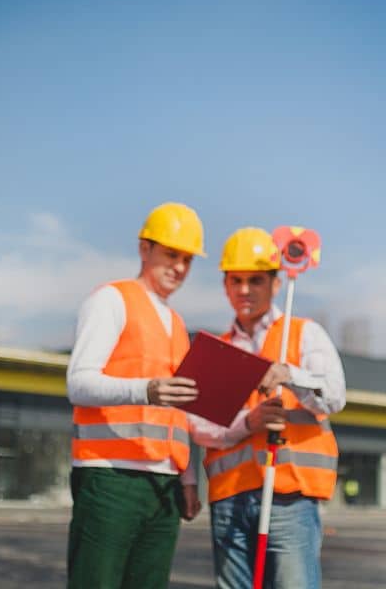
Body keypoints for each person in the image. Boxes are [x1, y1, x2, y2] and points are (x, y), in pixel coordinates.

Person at [66, 202, 238, 589]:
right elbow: (78, 383)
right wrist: (146, 390)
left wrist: (189, 479)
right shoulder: (111, 299)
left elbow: (179, 412)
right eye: (170, 254)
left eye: (187, 259)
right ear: (144, 248)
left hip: (163, 487)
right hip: (111, 478)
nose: (179, 267)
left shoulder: (177, 324)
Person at [203, 227, 346, 589]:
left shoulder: (303, 334)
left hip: (289, 498)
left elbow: (334, 396)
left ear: (276, 284)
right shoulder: (217, 349)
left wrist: (290, 374)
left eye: (256, 280)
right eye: (236, 280)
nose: (245, 290)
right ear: (225, 285)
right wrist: (248, 423)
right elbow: (200, 425)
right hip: (229, 499)